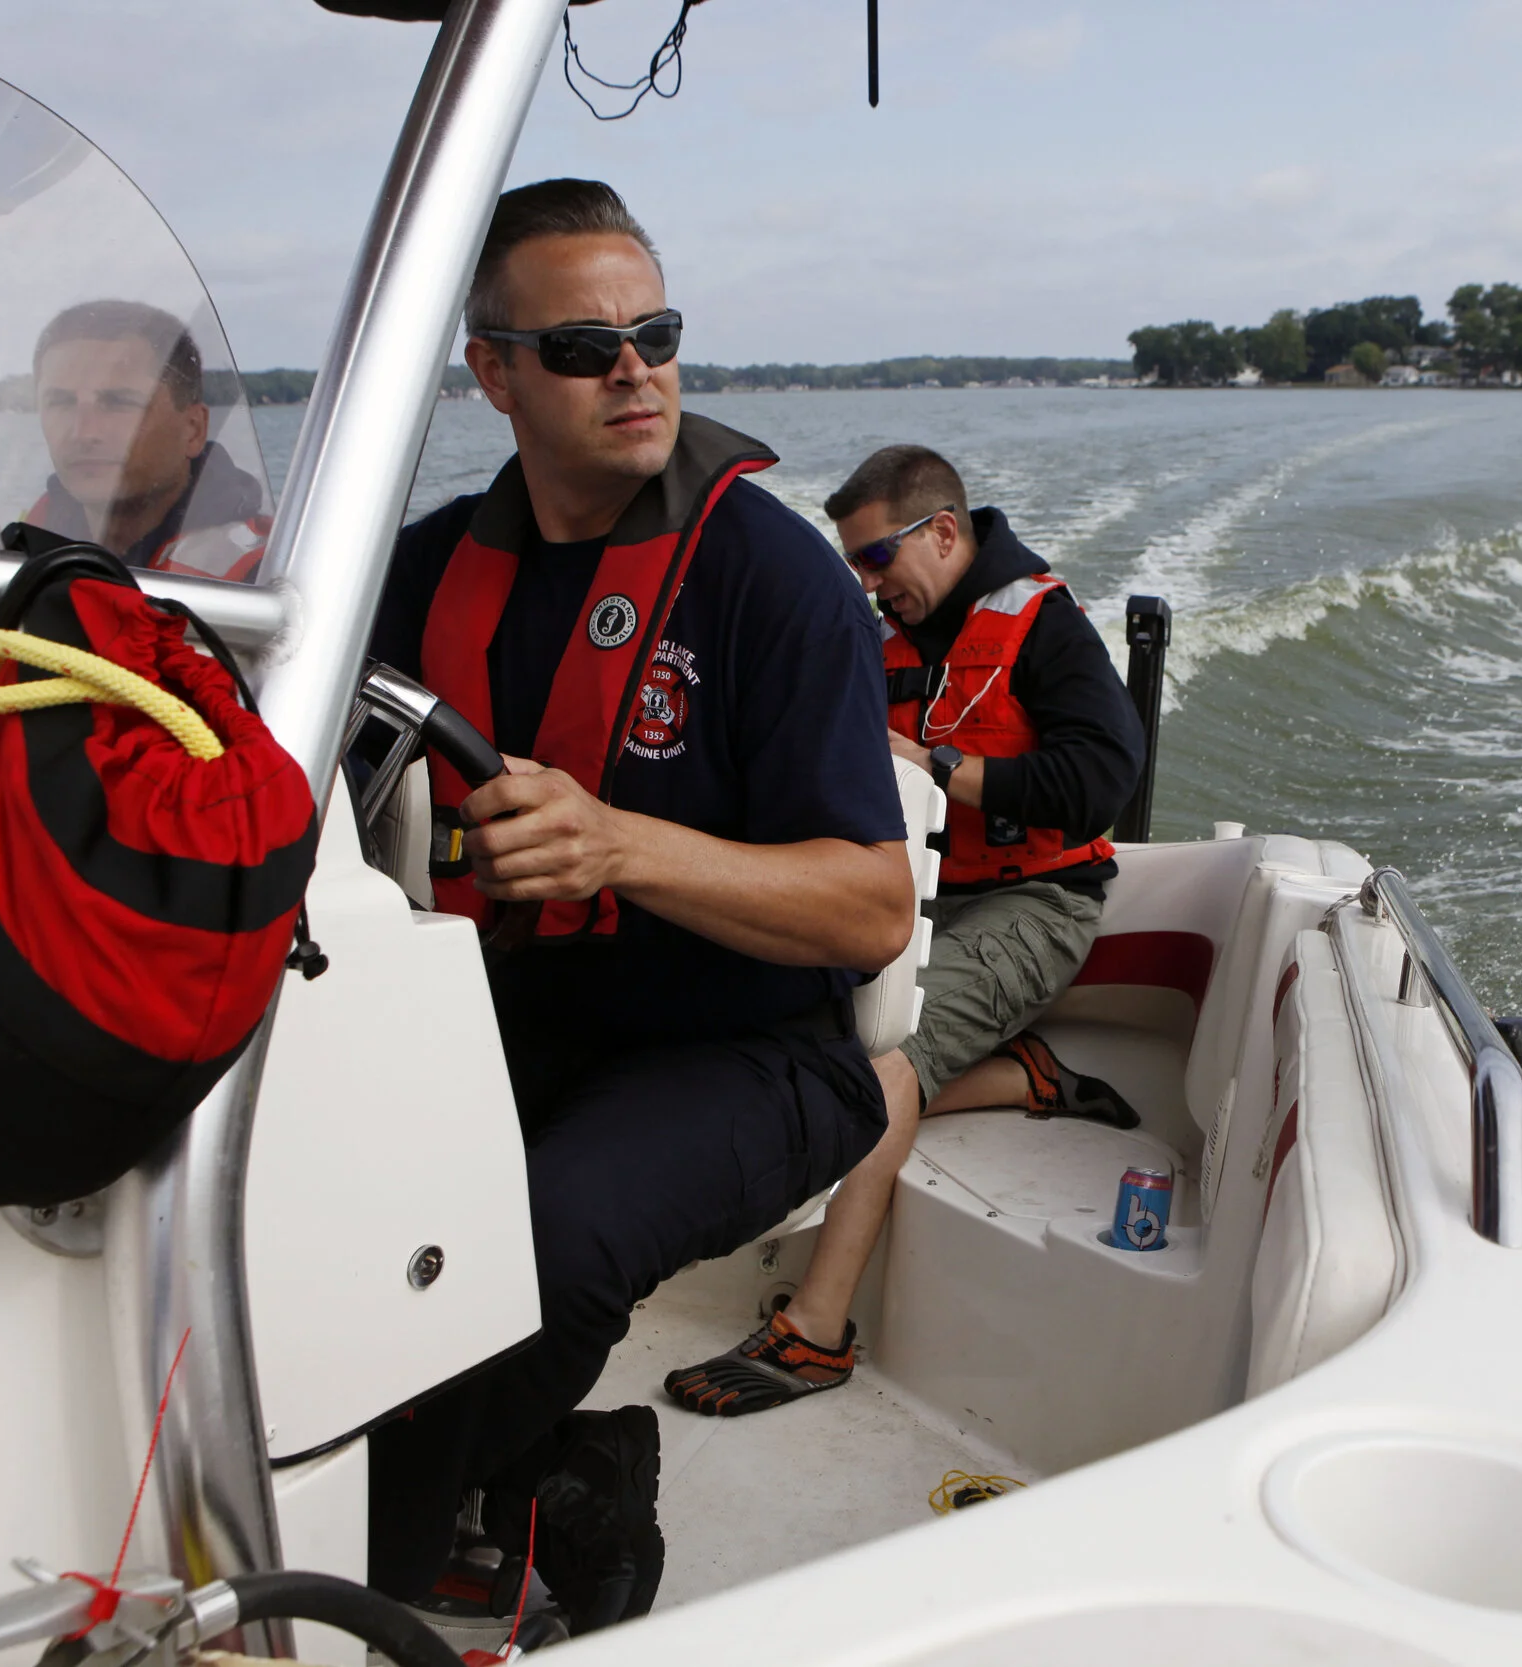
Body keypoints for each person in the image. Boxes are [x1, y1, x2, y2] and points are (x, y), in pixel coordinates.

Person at [359, 180, 916, 1631]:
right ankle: (566, 1465)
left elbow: (871, 910)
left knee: (548, 1227)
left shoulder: (770, 576)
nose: (635, 368)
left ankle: (351, 1577)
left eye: (656, 332)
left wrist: (620, 844)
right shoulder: (420, 573)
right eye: (584, 345)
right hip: (504, 1019)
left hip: (755, 1052)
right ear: (493, 374)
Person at [663, 444, 1147, 1419]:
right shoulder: (871, 634)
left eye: (878, 557)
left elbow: (1104, 780)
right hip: (902, 895)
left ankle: (816, 1329)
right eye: (854, 563)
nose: (866, 582)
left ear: (942, 531)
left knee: (880, 1062)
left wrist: (934, 759)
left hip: (1033, 906)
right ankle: (1024, 1077)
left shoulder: (1041, 625)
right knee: (771, 1030)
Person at [24, 299, 270, 579]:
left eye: (118, 403)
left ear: (193, 429)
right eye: (61, 403)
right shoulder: (16, 547)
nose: (84, 432)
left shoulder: (264, 579)